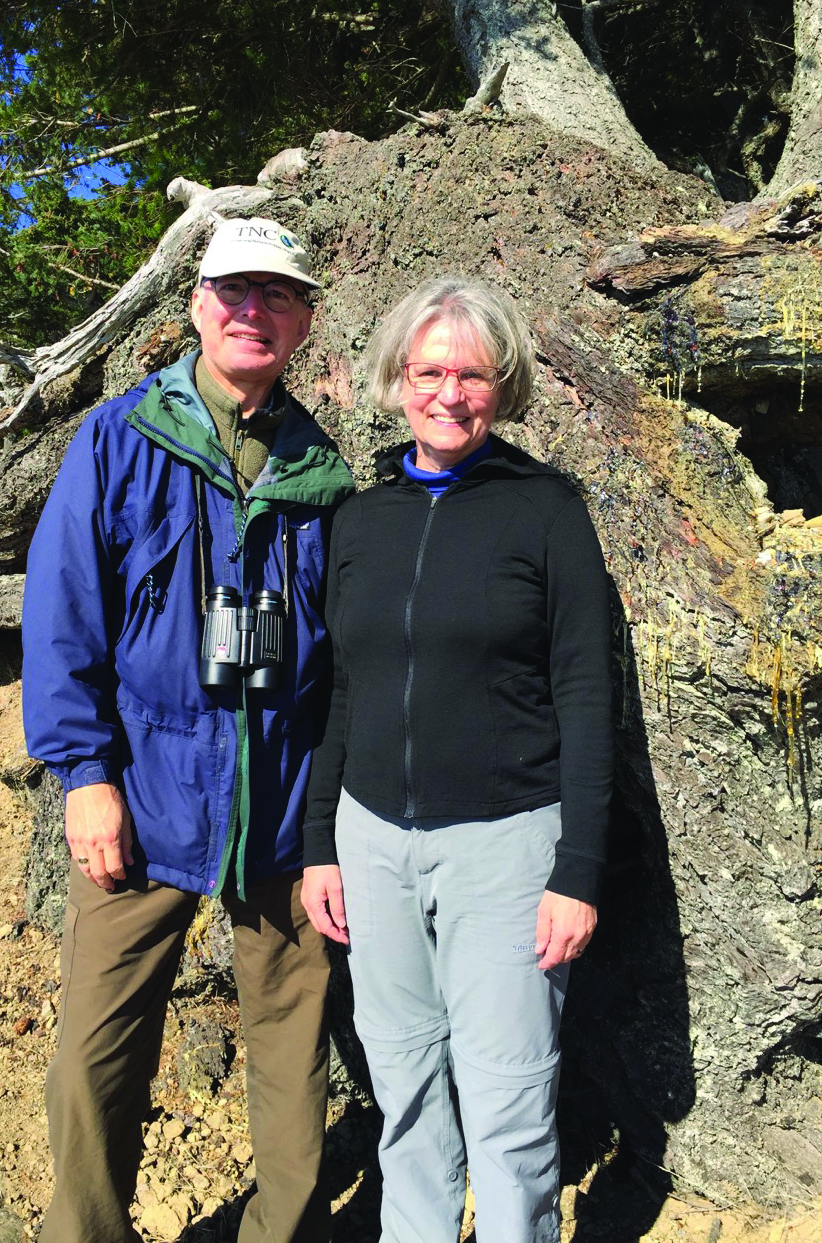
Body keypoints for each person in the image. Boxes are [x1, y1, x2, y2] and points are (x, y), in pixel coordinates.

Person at [22, 215, 355, 1243]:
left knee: (293, 1058)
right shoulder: (121, 438)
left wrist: (327, 831)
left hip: (284, 812)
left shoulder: (327, 473)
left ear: (303, 321)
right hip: (143, 799)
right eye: (233, 292)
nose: (253, 311)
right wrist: (84, 774)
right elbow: (64, 611)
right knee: (94, 1050)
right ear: (197, 306)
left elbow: (345, 658)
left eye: (277, 296)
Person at [301, 276, 614, 1243]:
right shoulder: (359, 520)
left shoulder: (548, 511)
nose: (449, 393)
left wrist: (578, 871)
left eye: (472, 375)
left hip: (509, 849)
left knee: (509, 1091)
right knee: (400, 1075)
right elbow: (343, 689)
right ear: (397, 379)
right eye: (430, 370)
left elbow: (587, 694)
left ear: (502, 385)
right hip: (373, 843)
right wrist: (322, 842)